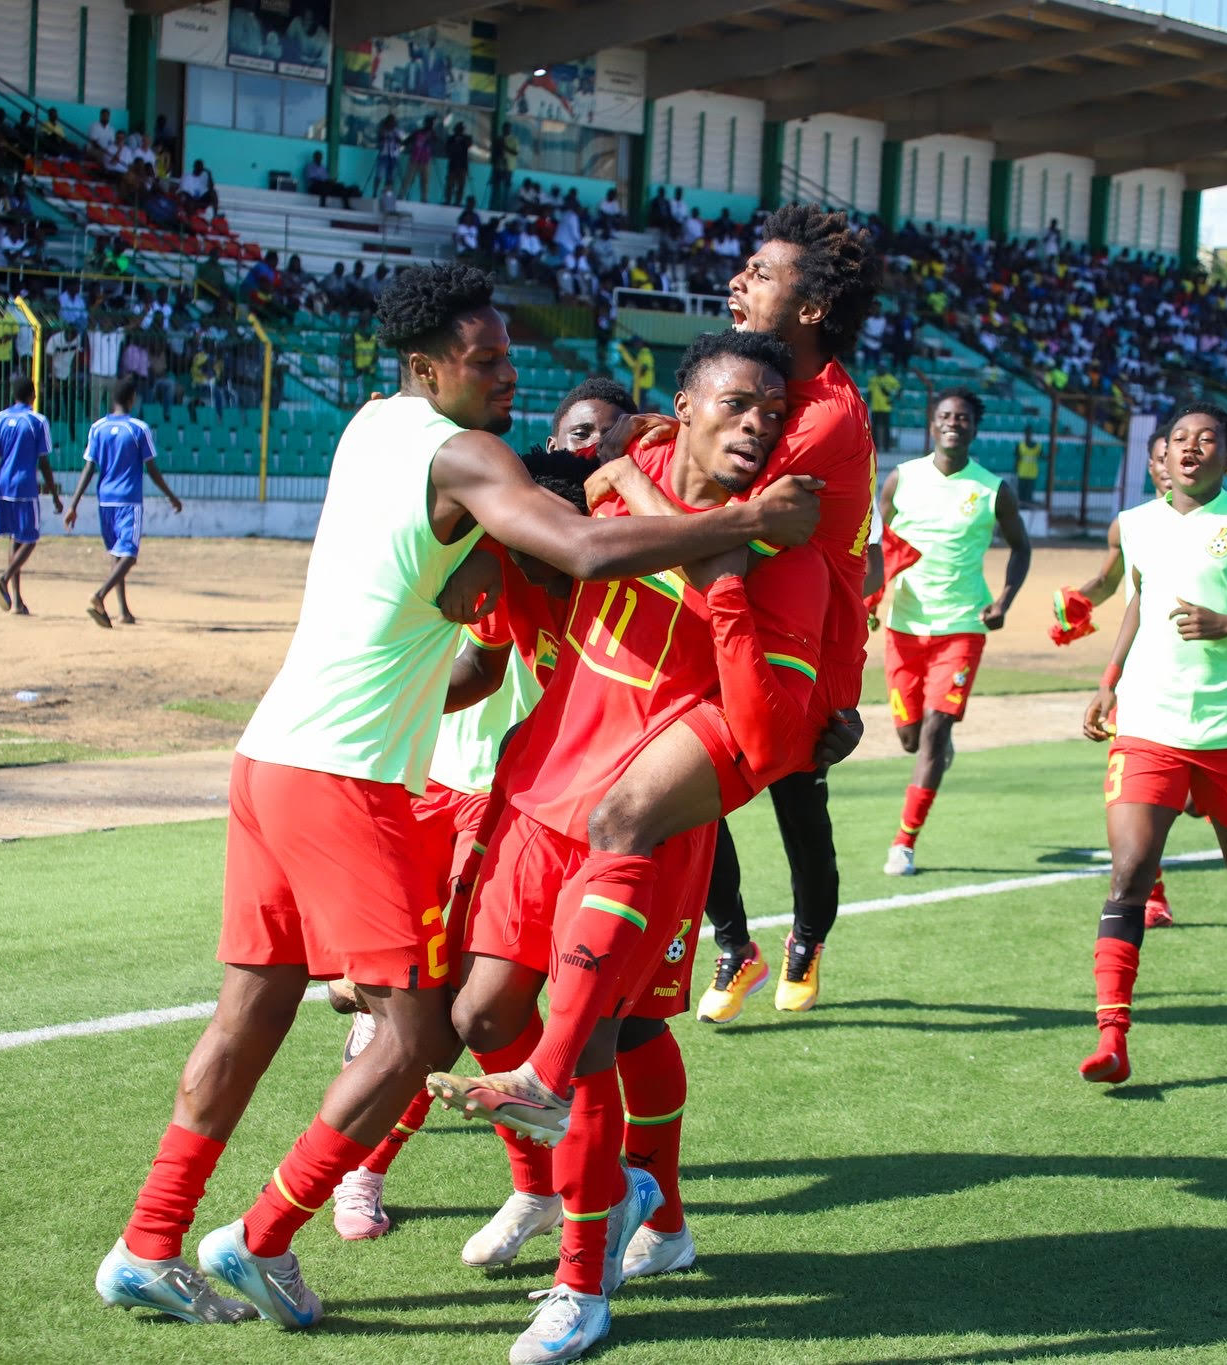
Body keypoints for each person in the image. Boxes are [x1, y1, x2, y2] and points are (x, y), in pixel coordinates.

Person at [93, 264, 820, 1331]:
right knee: (416, 1034)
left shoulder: (370, 425)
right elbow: (574, 543)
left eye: (508, 355)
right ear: (426, 366)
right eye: (483, 361)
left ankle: (148, 1245)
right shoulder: (464, 452)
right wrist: (740, 518)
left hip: (270, 757)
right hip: (348, 780)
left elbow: (472, 638)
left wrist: (524, 554)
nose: (504, 376)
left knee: (251, 1014)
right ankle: (258, 1239)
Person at [426, 331, 831, 1364]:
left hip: (646, 815)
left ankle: (578, 1290)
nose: (755, 426)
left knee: (596, 1044)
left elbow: (763, 724)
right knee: (477, 1013)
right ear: (684, 409)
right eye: (736, 404)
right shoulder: (617, 483)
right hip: (541, 786)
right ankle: (616, 1201)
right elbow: (505, 593)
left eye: (771, 415)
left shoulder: (786, 539)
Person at [326, 390, 631, 1245]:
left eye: (608, 437)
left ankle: (608, 1196)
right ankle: (373, 1168)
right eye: (578, 434)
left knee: (521, 1016)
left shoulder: (611, 572)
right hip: (450, 790)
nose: (593, 445)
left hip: (542, 812)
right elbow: (481, 667)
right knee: (414, 1005)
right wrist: (393, 708)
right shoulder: (488, 546)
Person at [1080, 403, 1227, 1086]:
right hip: (1149, 725)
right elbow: (1138, 601)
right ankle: (1112, 1037)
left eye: (1207, 439)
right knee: (1129, 873)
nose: (1191, 447)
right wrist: (1107, 681)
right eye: (1181, 438)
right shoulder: (1136, 524)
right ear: (1165, 453)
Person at [690, 204, 882, 1022]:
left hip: (809, 641)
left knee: (799, 812)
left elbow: (719, 499)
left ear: (809, 310)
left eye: (761, 273)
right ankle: (736, 944)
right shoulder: (764, 378)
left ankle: (807, 936)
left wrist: (621, 472)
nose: (738, 278)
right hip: (735, 606)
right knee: (681, 788)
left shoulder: (824, 414)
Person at [877, 389, 1031, 876]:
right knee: (909, 737)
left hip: (962, 626)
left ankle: (904, 842)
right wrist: (866, 600)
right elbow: (874, 547)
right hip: (903, 624)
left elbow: (1021, 547)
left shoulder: (992, 488)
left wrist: (1003, 601)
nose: (953, 424)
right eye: (945, 416)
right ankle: (935, 746)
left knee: (933, 731)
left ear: (973, 428)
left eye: (962, 418)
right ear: (931, 424)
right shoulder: (901, 479)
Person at [1054, 422, 1183, 926]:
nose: (1171, 464)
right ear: (1154, 466)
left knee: (1191, 799)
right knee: (1140, 793)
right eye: (1160, 456)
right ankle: (1152, 895)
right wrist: (1075, 604)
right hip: (1140, 672)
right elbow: (1109, 582)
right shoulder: (1130, 524)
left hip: (1201, 676)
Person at [63, 378, 184, 628]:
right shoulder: (139, 429)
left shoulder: (98, 428)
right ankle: (99, 595)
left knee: (118, 553)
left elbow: (88, 469)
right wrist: (171, 496)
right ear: (132, 399)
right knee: (129, 554)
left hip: (105, 500)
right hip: (128, 500)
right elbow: (151, 469)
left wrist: (73, 504)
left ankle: (124, 611)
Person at [0, 377, 62, 614]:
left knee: (15, 539)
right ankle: (3, 579)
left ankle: (18, 601)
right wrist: (54, 495)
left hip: (3, 486)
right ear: (33, 395)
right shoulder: (37, 421)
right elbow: (44, 462)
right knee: (30, 540)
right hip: (25, 487)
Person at [866, 364, 900, 452]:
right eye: (879, 369)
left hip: (886, 408)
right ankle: (874, 446)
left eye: (882, 369)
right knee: (874, 428)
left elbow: (899, 390)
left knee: (886, 428)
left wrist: (892, 400)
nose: (880, 371)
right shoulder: (873, 379)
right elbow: (869, 392)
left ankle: (886, 447)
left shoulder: (891, 379)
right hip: (875, 407)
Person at [618, 334, 656, 411]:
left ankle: (638, 416)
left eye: (635, 342)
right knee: (639, 401)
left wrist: (639, 374)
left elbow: (645, 367)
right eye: (633, 343)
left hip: (643, 383)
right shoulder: (642, 353)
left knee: (640, 402)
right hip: (640, 383)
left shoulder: (645, 352)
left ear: (640, 342)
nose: (634, 345)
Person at [444, 122, 472, 206]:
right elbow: (447, 149)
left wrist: (461, 140)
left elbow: (469, 144)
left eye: (461, 129)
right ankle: (448, 200)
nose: (459, 130)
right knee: (450, 185)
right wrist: (455, 143)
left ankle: (458, 202)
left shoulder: (467, 138)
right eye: (458, 129)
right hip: (453, 165)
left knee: (461, 186)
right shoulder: (451, 138)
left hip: (463, 165)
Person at [1015, 426, 1043, 502]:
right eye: (1027, 433)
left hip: (1032, 473)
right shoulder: (1020, 445)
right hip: (1022, 473)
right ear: (1025, 434)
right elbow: (1017, 459)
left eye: (1030, 433)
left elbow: (1043, 457)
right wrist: (1016, 470)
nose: (1028, 435)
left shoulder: (1038, 446)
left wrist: (1053, 452)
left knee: (1029, 495)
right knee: (1021, 494)